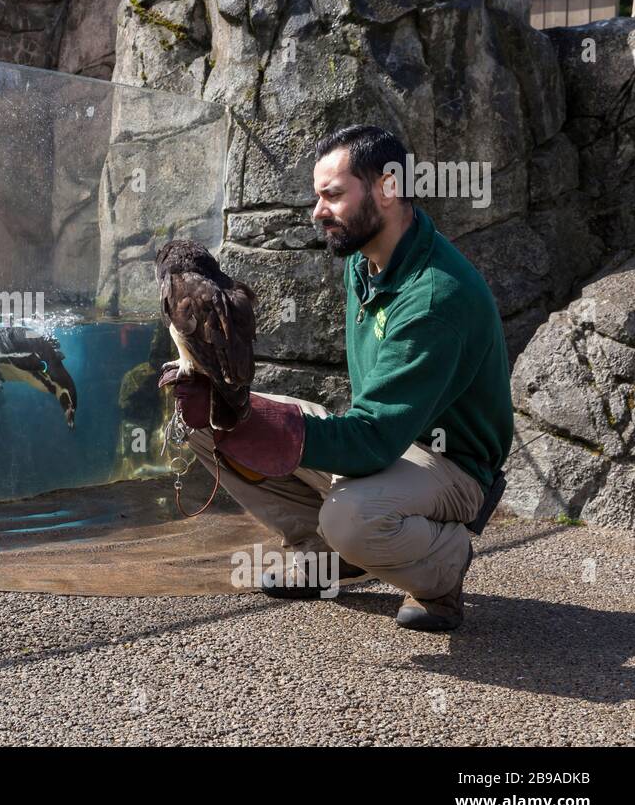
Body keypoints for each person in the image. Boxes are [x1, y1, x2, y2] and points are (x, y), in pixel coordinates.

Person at [167, 124, 513, 631]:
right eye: (317, 196)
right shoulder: (367, 261)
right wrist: (230, 404)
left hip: (449, 464)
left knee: (349, 516)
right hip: (384, 439)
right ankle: (330, 556)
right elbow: (371, 433)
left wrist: (274, 428)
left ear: (388, 189)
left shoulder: (436, 298)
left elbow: (373, 439)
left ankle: (443, 567)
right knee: (206, 423)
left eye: (332, 195)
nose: (317, 212)